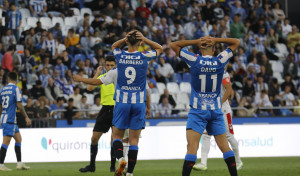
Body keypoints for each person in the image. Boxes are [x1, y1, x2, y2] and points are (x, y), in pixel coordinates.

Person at [74, 30, 162, 176]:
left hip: (122, 103)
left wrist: (80, 79)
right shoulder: (144, 56)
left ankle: (121, 158)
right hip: (139, 102)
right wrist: (145, 39)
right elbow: (160, 48)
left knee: (116, 136)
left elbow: (114, 46)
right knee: (134, 140)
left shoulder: (120, 56)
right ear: (140, 43)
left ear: (127, 42)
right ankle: (130, 173)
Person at [170, 36, 240, 176]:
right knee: (225, 148)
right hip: (215, 110)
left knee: (192, 148)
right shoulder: (220, 59)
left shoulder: (194, 59)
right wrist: (216, 39)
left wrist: (196, 41)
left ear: (201, 49)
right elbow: (236, 42)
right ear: (214, 50)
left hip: (198, 111)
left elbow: (174, 45)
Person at [193, 71, 243, 171]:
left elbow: (229, 90)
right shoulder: (206, 72)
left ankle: (238, 161)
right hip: (210, 109)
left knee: (229, 136)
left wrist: (219, 104)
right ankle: (203, 163)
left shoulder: (223, 73)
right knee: (206, 135)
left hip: (223, 110)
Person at [78, 56, 117, 173]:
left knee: (114, 140)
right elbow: (89, 87)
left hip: (117, 109)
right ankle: (92, 166)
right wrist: (97, 73)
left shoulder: (119, 78)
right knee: (94, 139)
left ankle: (113, 166)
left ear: (115, 66)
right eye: (108, 65)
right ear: (104, 66)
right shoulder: (102, 78)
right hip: (105, 110)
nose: (109, 67)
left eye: (112, 65)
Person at [0, 72, 31, 171]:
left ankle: (19, 164)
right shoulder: (16, 89)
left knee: (18, 139)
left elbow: (0, 107)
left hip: (6, 118)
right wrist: (26, 117)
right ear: (16, 79)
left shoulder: (2, 90)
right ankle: (0, 165)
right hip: (10, 119)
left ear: (8, 79)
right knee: (6, 141)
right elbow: (20, 106)